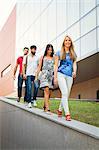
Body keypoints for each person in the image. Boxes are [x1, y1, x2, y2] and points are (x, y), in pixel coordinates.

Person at [54, 35, 77, 121]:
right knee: (64, 92)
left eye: (69, 40)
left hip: (69, 75)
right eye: (66, 40)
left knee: (66, 95)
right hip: (61, 74)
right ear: (64, 42)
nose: (67, 42)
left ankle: (59, 110)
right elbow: (56, 65)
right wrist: (55, 77)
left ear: (71, 42)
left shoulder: (73, 54)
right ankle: (67, 114)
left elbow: (74, 63)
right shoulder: (58, 53)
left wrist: (74, 71)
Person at [36, 44, 54, 113]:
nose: (50, 51)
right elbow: (39, 67)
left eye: (51, 50)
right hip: (44, 75)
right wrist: (36, 77)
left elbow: (55, 68)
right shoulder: (42, 57)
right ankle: (47, 108)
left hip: (50, 76)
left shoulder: (53, 58)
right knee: (46, 90)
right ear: (46, 50)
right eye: (48, 49)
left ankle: (44, 105)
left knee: (49, 93)